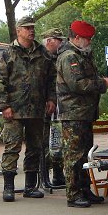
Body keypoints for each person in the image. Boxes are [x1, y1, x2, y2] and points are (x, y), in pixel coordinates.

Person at [0, 16, 56, 202]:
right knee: (12, 147)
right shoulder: (8, 54)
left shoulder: (43, 53)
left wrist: (51, 98)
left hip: (37, 108)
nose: (31, 31)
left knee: (35, 148)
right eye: (27, 28)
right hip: (14, 109)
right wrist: (4, 105)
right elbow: (0, 81)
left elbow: (51, 78)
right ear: (18, 30)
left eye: (33, 28)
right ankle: (8, 187)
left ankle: (31, 185)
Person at [57, 20, 108, 207]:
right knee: (73, 155)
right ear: (77, 37)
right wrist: (101, 84)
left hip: (84, 112)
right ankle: (73, 194)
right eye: (87, 39)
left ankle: (84, 189)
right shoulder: (69, 57)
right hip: (73, 113)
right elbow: (77, 84)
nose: (89, 42)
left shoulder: (81, 54)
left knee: (84, 155)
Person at [41, 27, 66, 187]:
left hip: (58, 105)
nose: (62, 43)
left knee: (58, 141)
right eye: (59, 40)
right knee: (43, 142)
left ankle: (58, 173)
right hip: (44, 105)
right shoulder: (41, 58)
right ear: (49, 41)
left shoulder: (59, 57)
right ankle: (44, 177)